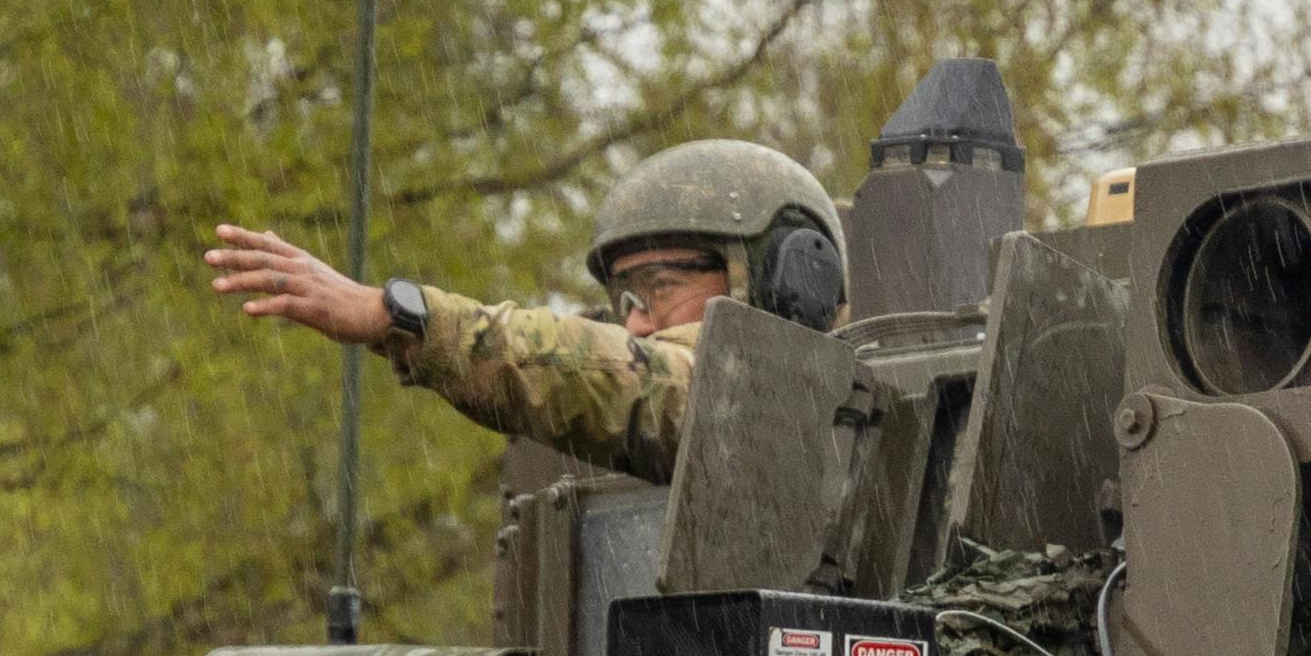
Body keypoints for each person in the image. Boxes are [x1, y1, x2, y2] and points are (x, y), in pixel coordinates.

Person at [198, 138, 840, 483]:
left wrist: (404, 318)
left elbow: (627, 380)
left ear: (784, 283)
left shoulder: (797, 401)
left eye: (662, 285)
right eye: (625, 301)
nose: (638, 322)